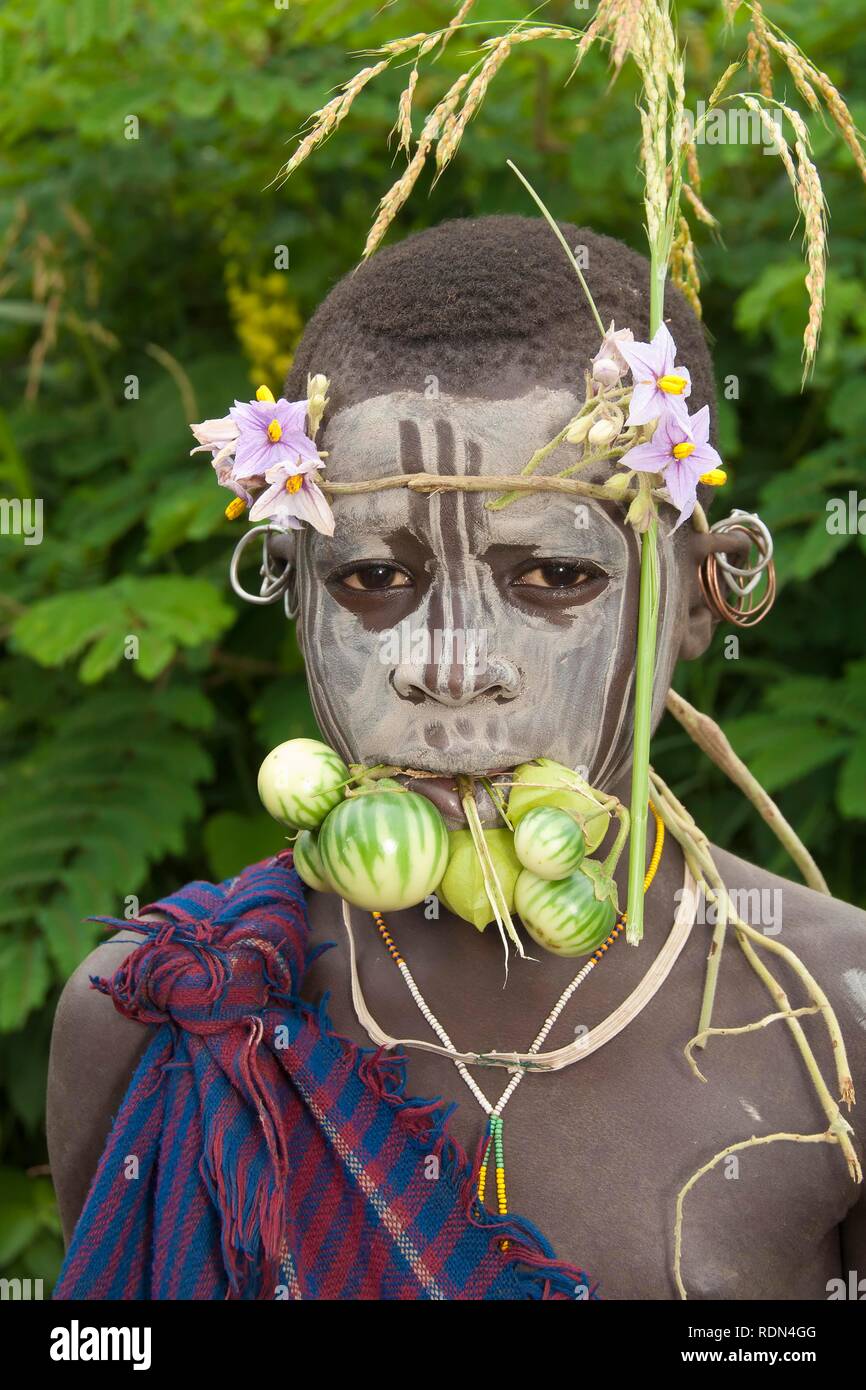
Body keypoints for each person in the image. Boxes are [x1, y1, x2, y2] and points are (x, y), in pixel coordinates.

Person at [47, 216, 866, 1300]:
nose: (450, 666)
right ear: (288, 587)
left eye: (555, 578)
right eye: (372, 581)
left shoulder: (829, 1022)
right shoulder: (153, 1011)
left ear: (704, 593)